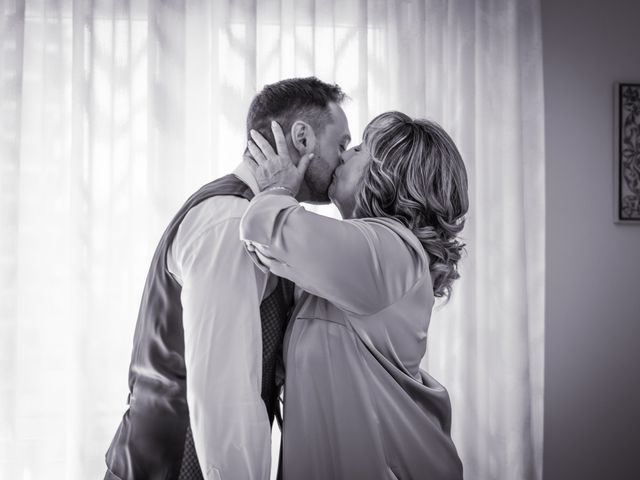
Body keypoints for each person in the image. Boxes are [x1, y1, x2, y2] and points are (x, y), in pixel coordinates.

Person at [104, 77, 351, 480]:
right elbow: (225, 393)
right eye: (341, 144)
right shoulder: (231, 221)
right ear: (303, 138)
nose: (345, 158)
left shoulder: (265, 226)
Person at [241, 111, 467, 479]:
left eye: (359, 148)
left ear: (390, 172)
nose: (343, 156)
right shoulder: (354, 267)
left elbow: (264, 228)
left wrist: (278, 188)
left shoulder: (394, 251)